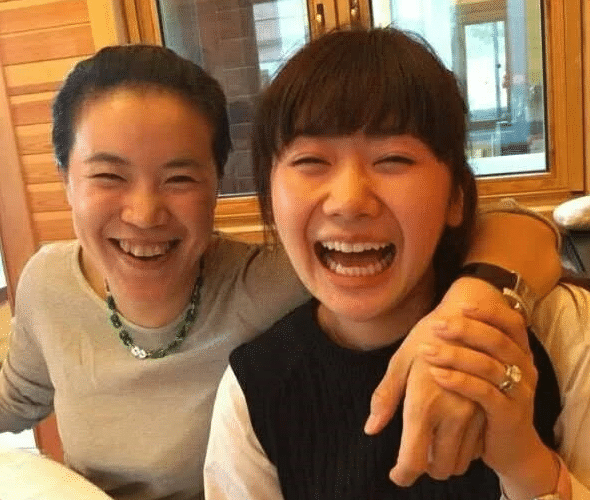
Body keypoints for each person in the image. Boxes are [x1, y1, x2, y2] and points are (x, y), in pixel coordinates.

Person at [0, 44, 561, 500]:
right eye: (108, 176)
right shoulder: (48, 283)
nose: (144, 213)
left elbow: (515, 227)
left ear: (218, 186)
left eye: (180, 178)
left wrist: (474, 308)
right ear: (65, 178)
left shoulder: (275, 281)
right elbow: (15, 398)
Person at [204, 27, 590, 499]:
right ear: (269, 196)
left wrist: (525, 462)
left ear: (456, 197)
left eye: (392, 159)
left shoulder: (557, 330)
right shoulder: (255, 388)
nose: (349, 201)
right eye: (310, 161)